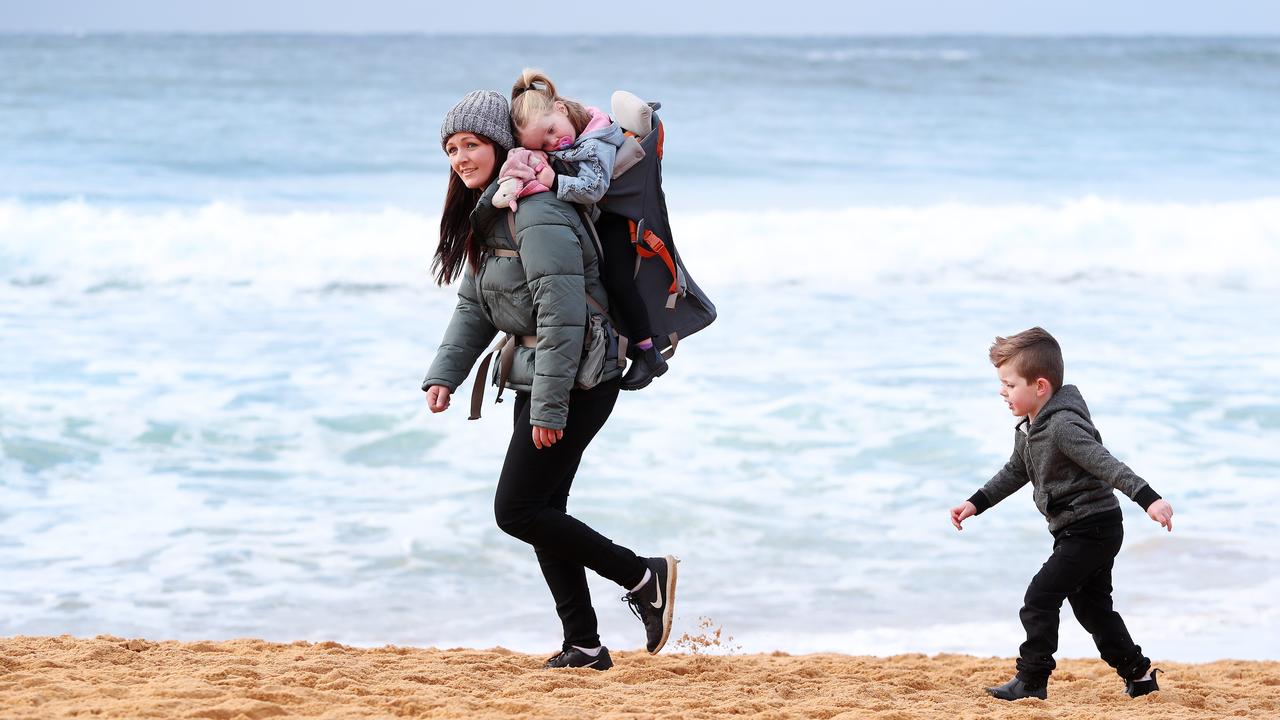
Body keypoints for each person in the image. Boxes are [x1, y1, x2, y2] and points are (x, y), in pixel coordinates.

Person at [421, 90, 677, 671]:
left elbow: (563, 317)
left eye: (472, 144)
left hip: (579, 376)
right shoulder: (496, 210)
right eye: (452, 149)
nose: (461, 158)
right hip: (544, 373)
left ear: (501, 144)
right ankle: (584, 645)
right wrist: (446, 374)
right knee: (545, 511)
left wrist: (549, 409)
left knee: (517, 510)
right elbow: (476, 305)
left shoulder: (534, 212)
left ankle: (642, 576)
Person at [949, 327, 1174, 701]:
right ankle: (1139, 676)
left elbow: (1105, 463)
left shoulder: (1063, 427)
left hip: (1091, 529)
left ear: (1039, 386)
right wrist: (976, 502)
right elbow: (1016, 470)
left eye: (1009, 384)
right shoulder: (1030, 427)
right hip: (1082, 528)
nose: (1002, 391)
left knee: (1040, 597)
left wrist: (1148, 498)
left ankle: (1032, 680)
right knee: (1093, 609)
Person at [507, 69, 668, 391]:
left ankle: (648, 352)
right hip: (602, 216)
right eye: (545, 143)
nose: (555, 143)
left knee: (617, 282)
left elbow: (594, 188)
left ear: (562, 109)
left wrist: (553, 179)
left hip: (617, 220)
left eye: (552, 131)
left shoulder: (597, 141)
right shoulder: (576, 131)